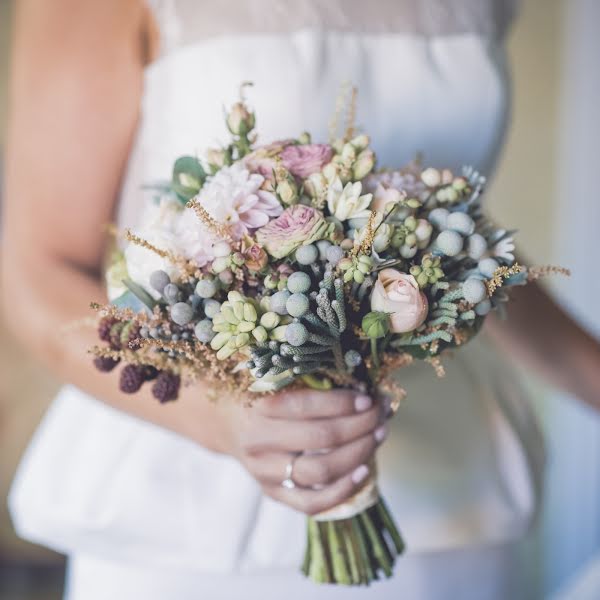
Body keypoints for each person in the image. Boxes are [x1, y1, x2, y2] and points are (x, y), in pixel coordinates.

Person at [2, 1, 599, 599]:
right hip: (191, 506)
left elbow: (456, 240)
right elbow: (38, 274)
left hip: (449, 500)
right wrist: (218, 419)